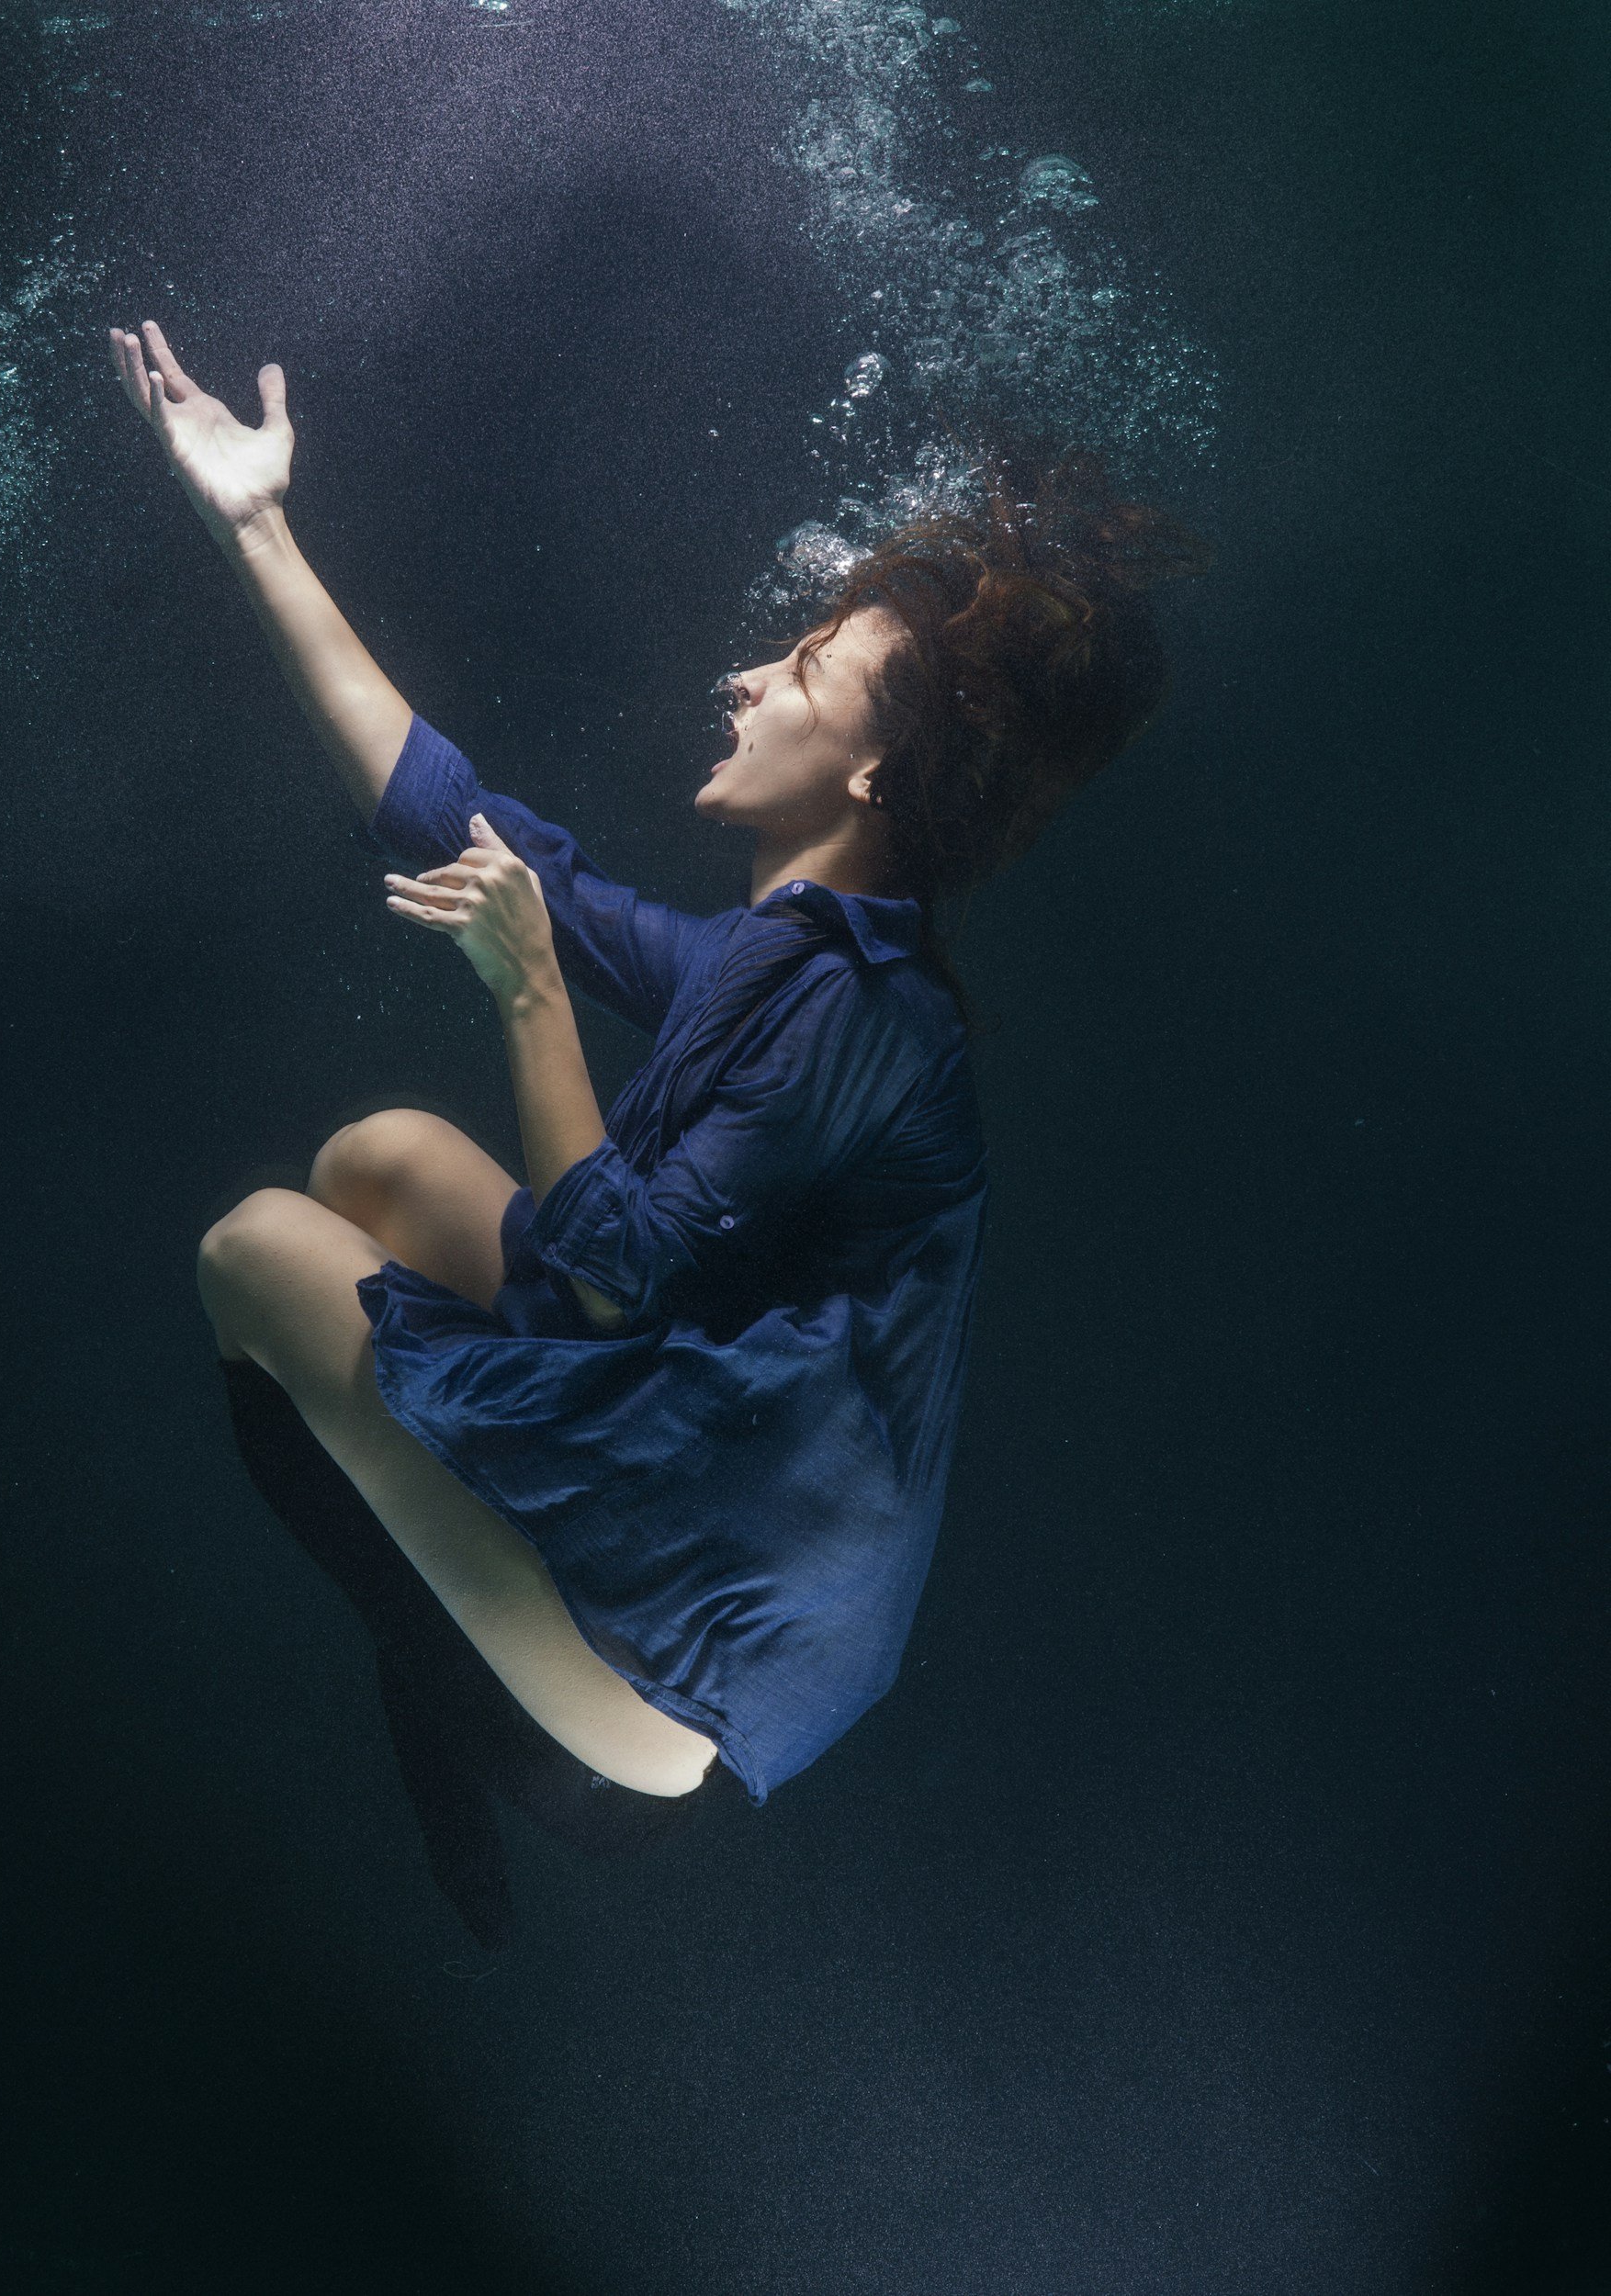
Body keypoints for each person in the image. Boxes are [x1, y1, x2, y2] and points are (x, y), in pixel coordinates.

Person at [107, 321, 1207, 1943]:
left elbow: (612, 1280)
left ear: (874, 772)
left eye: (803, 670)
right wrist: (257, 526)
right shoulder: (786, 960)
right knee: (379, 1160)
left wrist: (533, 989)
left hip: (677, 1667)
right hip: (684, 1523)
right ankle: (467, 1609)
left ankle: (454, 1704)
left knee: (252, 1251)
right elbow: (458, 824)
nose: (749, 678)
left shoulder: (864, 1010)